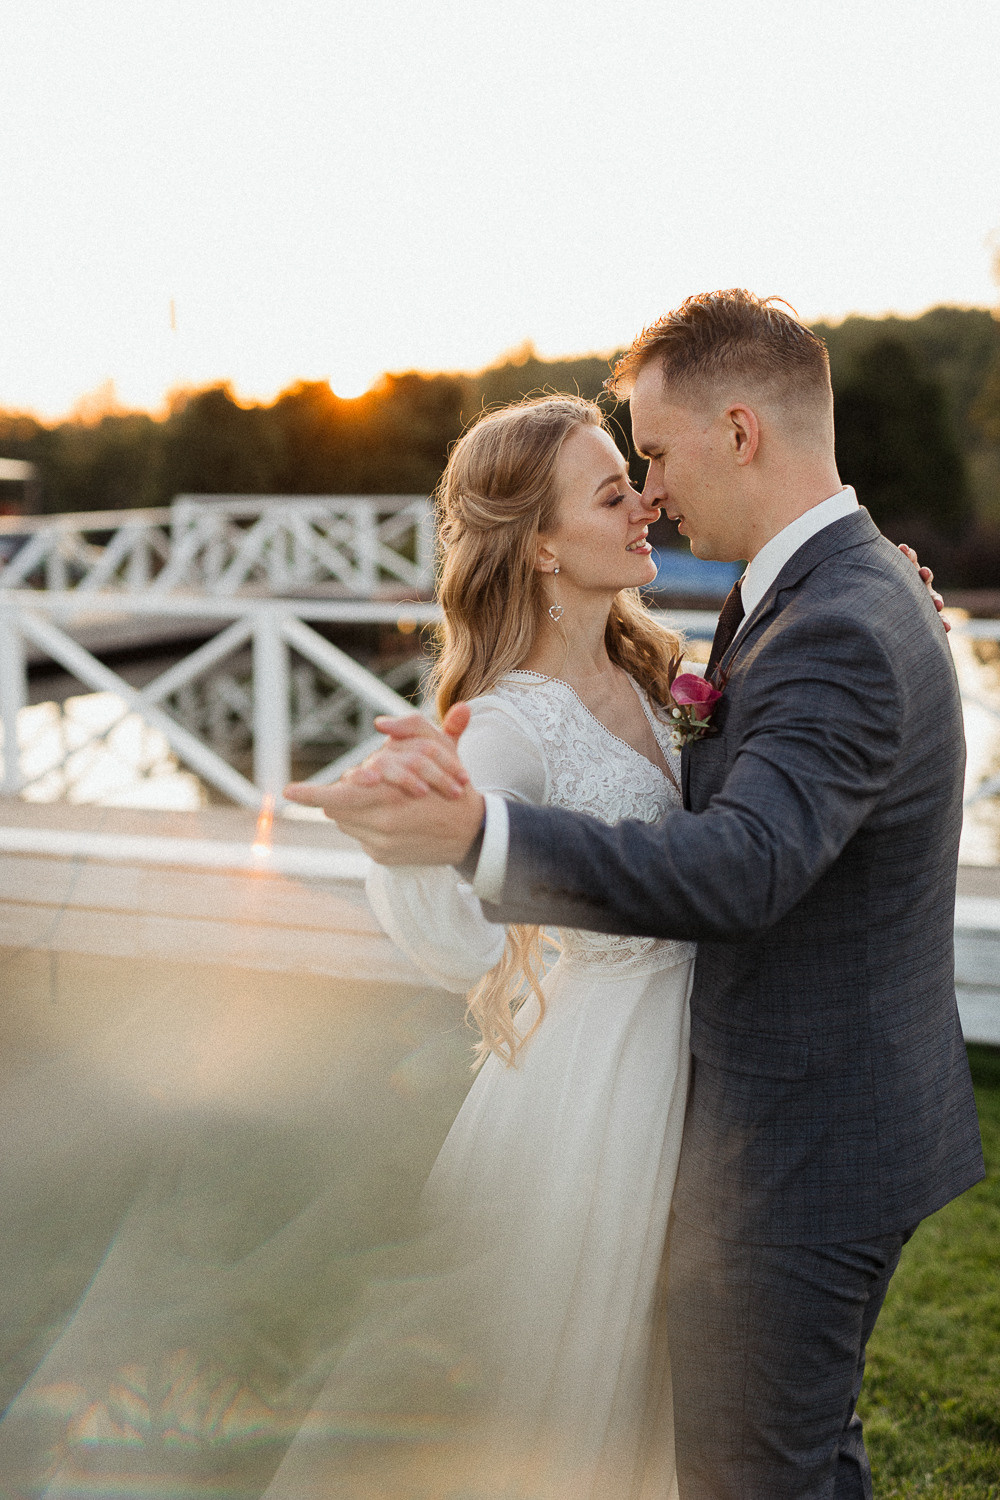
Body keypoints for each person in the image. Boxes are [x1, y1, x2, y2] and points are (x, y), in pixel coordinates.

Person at [287, 290, 984, 1499]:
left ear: (738, 431)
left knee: (754, 1461)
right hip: (644, 1095)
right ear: (541, 546)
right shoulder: (796, 596)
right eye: (618, 483)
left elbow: (747, 861)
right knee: (744, 1442)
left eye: (648, 459)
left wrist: (486, 834)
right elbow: (464, 873)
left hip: (794, 1132)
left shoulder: (830, 616)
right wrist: (437, 829)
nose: (650, 494)